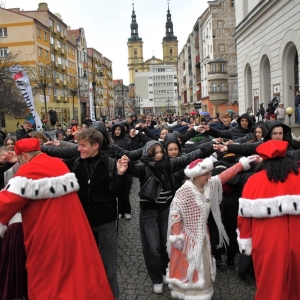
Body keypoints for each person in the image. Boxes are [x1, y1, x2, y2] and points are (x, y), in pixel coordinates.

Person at [0, 138, 116, 299]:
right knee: (78, 279)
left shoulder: (26, 175)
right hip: (72, 233)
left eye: (20, 159)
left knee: (49, 284)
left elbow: (3, 205)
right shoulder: (58, 165)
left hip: (46, 239)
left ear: (25, 157)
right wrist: (17, 158)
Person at [166, 156, 255, 299]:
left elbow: (224, 176)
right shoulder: (185, 190)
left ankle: (202, 292)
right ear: (196, 175)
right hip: (188, 236)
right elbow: (175, 213)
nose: (209, 176)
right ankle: (189, 293)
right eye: (206, 174)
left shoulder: (209, 185)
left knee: (203, 265)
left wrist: (241, 165)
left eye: (209, 173)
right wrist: (177, 236)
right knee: (190, 265)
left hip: (203, 233)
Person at [63, 128, 129, 300]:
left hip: (106, 224)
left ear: (96, 146)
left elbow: (119, 195)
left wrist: (121, 175)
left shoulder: (109, 164)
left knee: (109, 270)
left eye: (83, 145)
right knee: (84, 268)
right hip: (82, 224)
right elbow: (53, 161)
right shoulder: (76, 163)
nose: (79, 149)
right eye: (78, 145)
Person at [237, 140, 300, 300]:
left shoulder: (254, 181)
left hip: (266, 243)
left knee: (269, 284)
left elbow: (244, 218)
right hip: (297, 239)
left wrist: (245, 241)